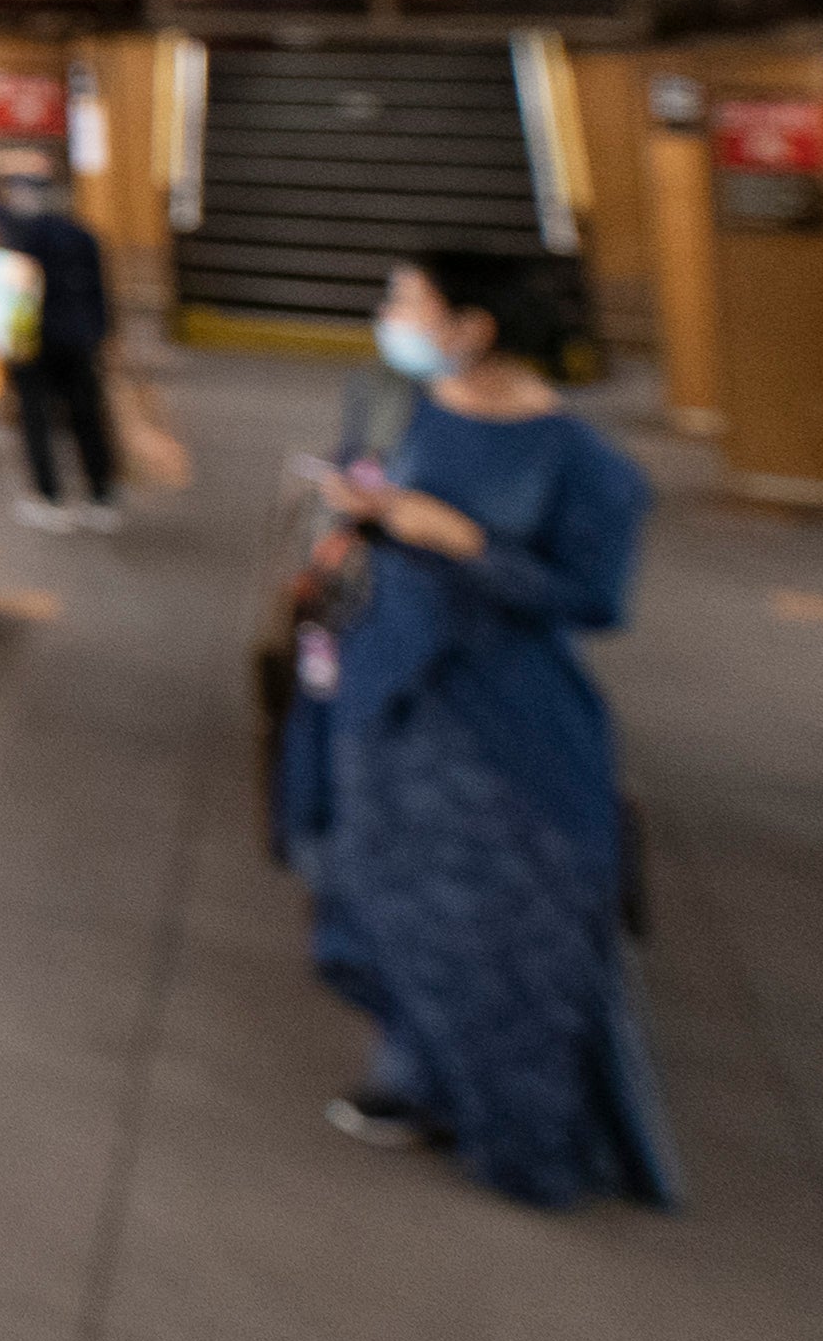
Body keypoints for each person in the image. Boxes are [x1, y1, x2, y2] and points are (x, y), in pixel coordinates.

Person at [284, 248, 679, 1210]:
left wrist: (462, 541)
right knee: (382, 891)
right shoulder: (395, 406)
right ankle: (413, 1073)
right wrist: (360, 513)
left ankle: (520, 1126)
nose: (389, 315)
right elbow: (371, 503)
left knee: (505, 927)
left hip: (505, 719)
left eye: (408, 301)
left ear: (475, 327)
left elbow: (592, 600)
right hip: (383, 685)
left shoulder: (587, 468)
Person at [0, 151, 122, 529]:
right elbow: (101, 294)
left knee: (35, 418)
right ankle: (101, 496)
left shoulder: (17, 232)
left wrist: (3, 163)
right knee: (85, 416)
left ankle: (49, 497)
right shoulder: (83, 234)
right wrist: (101, 335)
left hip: (31, 342)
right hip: (79, 340)